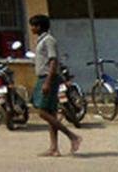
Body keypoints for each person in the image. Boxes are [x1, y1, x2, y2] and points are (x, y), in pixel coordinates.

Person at [30, 14, 81, 157]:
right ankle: (54, 148)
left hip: (48, 78)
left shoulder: (48, 40)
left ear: (39, 26)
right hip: (44, 77)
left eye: (33, 26)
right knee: (51, 112)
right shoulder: (41, 41)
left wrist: (47, 81)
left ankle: (73, 136)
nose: (32, 29)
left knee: (42, 112)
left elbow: (53, 61)